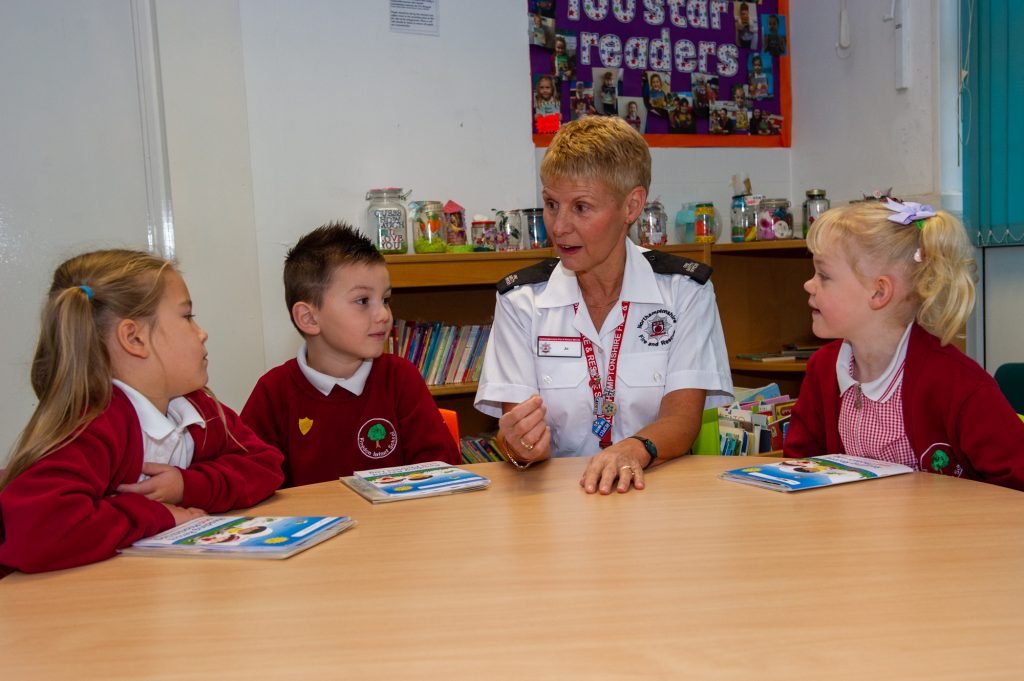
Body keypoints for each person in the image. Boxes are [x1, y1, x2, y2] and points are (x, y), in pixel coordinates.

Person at [475, 117, 733, 494]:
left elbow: (682, 419)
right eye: (551, 204)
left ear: (632, 205)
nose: (559, 226)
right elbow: (520, 443)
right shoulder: (521, 300)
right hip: (560, 501)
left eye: (581, 207)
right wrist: (520, 446)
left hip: (657, 493)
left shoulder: (683, 290)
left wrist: (630, 450)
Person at [0, 250, 284, 574]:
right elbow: (39, 530)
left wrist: (186, 486)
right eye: (187, 317)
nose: (202, 332)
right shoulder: (94, 422)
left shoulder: (196, 407)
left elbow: (265, 465)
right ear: (134, 338)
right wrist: (160, 515)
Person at [785, 200, 1024, 490]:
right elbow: (799, 468)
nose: (808, 285)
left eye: (823, 275)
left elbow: (1016, 481)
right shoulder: (823, 369)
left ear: (879, 292)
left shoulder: (957, 383)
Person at [241, 222, 459, 487]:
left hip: (397, 525)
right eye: (363, 301)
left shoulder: (401, 378)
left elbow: (444, 471)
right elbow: (250, 481)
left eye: (386, 300)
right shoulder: (273, 392)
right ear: (309, 318)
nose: (383, 314)